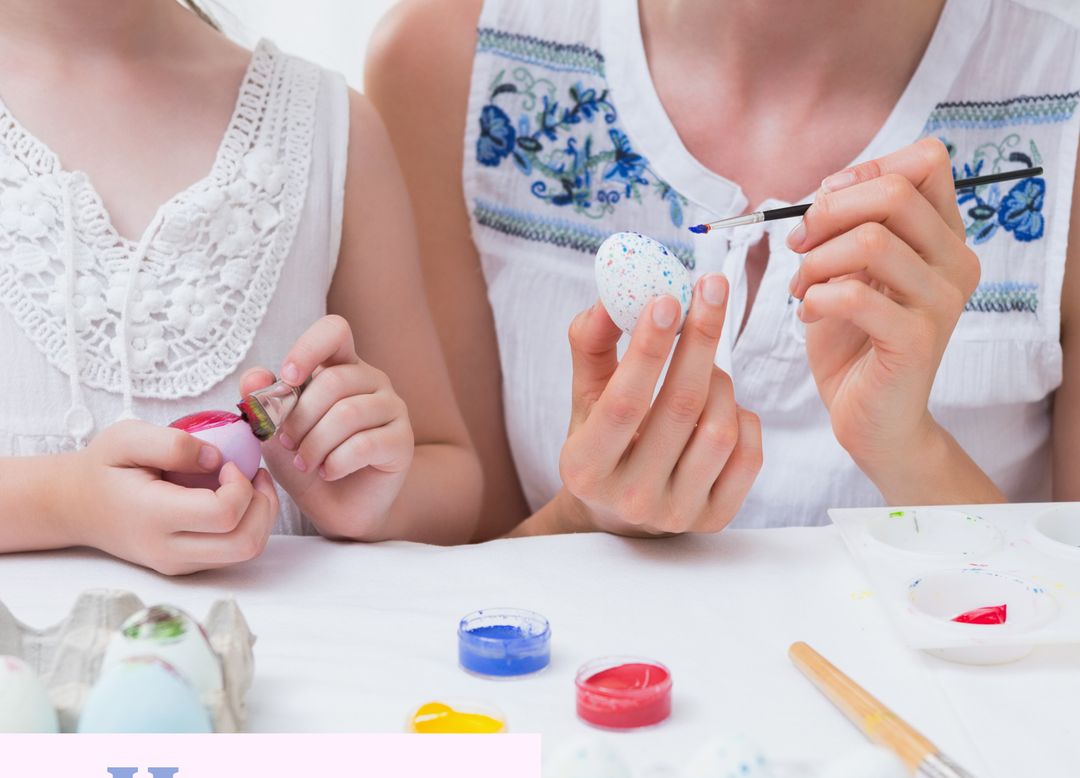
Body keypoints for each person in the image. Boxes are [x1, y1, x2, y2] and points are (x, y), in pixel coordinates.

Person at [367, 0, 1079, 539]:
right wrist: (585, 515)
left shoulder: (1060, 101)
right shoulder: (450, 63)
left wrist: (908, 454)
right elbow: (453, 626)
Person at [0, 0, 482, 575]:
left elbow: (452, 479)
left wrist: (375, 499)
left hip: (287, 659)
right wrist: (66, 502)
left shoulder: (328, 128)